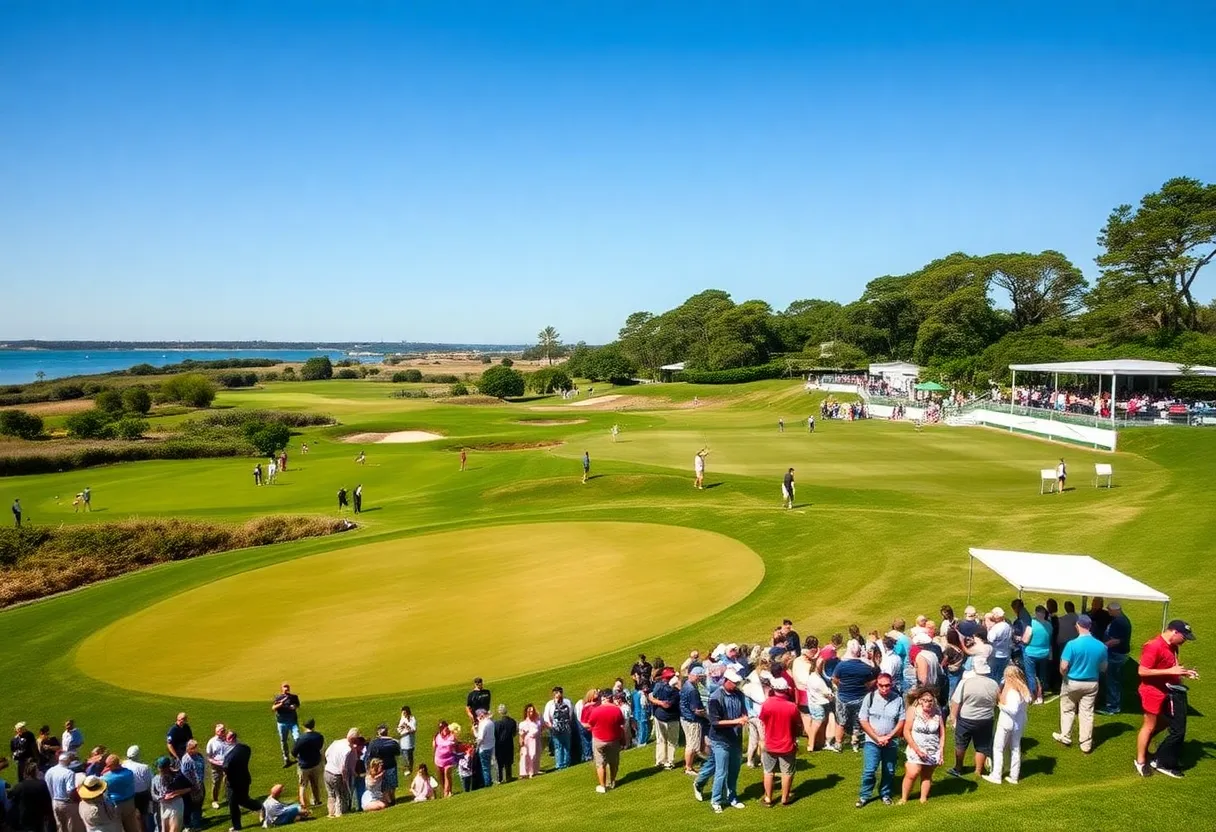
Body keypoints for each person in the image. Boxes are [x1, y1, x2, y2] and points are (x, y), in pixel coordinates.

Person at [1135, 620, 1199, 778]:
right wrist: (1171, 670)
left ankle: (1151, 750)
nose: (1185, 641)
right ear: (1174, 632)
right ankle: (1141, 761)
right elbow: (1142, 671)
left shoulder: (1173, 646)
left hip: (1167, 691)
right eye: (1184, 638)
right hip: (1152, 692)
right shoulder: (1153, 646)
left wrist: (1184, 672)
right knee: (1150, 725)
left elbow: (1171, 668)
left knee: (1165, 722)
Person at [693, 668, 748, 813]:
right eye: (734, 683)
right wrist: (737, 721)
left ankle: (732, 797)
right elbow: (715, 722)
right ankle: (716, 800)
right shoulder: (716, 698)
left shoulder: (739, 694)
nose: (736, 685)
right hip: (720, 740)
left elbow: (744, 711)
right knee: (721, 771)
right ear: (726, 681)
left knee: (734, 770)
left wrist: (744, 717)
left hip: (735, 738)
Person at [1053, 614, 1108, 754]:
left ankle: (1065, 736)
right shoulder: (1101, 646)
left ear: (1078, 625)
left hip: (1072, 682)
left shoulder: (1072, 645)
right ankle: (1086, 744)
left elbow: (1064, 666)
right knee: (1087, 713)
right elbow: (1103, 668)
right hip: (1091, 683)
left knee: (1067, 709)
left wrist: (1064, 676)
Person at [856, 673, 906, 808]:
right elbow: (863, 720)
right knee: (869, 770)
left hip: (890, 741)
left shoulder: (898, 699)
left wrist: (889, 736)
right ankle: (864, 795)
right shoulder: (870, 697)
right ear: (877, 685)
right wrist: (877, 737)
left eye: (887, 685)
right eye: (881, 685)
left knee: (889, 770)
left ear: (892, 684)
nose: (884, 688)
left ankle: (885, 794)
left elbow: (901, 720)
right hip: (872, 741)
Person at [947, 656, 999, 779]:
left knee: (961, 743)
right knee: (982, 745)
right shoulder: (994, 684)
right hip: (986, 719)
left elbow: (956, 701)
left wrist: (953, 718)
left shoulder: (965, 683)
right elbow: (997, 701)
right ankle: (978, 771)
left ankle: (958, 768)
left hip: (966, 719)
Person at [985, 665, 1031, 785]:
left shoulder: (1013, 692)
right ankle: (1014, 776)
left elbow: (1013, 709)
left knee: (998, 748)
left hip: (1007, 722)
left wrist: (1001, 705)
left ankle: (996, 775)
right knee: (1015, 748)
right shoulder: (1023, 690)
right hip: (1019, 723)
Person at [758, 677, 800, 806]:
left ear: (773, 689)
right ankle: (785, 798)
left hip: (770, 743)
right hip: (787, 744)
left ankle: (768, 799)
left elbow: (762, 721)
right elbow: (798, 726)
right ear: (786, 690)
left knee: (768, 771)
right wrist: (795, 739)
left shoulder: (767, 704)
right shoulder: (792, 707)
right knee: (786, 772)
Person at [831, 642, 878, 752]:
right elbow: (870, 683)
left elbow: (835, 679)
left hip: (843, 697)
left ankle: (838, 743)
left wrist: (842, 686)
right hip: (859, 698)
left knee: (840, 721)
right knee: (857, 721)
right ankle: (855, 743)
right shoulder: (865, 668)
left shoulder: (841, 665)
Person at [902, 685, 944, 804]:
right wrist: (917, 749)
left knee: (927, 775)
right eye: (924, 700)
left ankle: (923, 799)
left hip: (932, 748)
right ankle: (904, 798)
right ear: (919, 700)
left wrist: (941, 750)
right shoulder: (913, 710)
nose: (927, 703)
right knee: (912, 772)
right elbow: (906, 731)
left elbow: (942, 732)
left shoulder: (937, 712)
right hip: (916, 748)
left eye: (930, 700)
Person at [582, 690, 625, 793]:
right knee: (613, 762)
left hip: (598, 740)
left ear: (603, 698)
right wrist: (623, 739)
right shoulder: (617, 710)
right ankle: (612, 781)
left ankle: (603, 786)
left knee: (600, 764)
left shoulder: (595, 711)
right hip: (613, 739)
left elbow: (590, 724)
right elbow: (621, 725)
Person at [221, 733, 262, 831]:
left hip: (233, 783)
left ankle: (236, 827)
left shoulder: (230, 756)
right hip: (245, 779)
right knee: (243, 800)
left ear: (230, 739)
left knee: (233, 804)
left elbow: (225, 767)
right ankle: (260, 807)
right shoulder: (245, 748)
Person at [1100, 602, 1132, 715]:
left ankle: (1113, 706)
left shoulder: (1120, 622)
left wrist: (1101, 647)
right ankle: (1112, 703)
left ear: (1115, 610)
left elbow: (1117, 640)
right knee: (1113, 679)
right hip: (1116, 654)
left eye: (1109, 610)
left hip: (1116, 655)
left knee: (1112, 680)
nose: (1108, 612)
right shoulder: (1120, 620)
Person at [648, 667, 681, 769]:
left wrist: (658, 702)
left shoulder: (658, 685)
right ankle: (669, 761)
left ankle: (661, 761)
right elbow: (667, 705)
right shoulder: (674, 692)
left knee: (661, 740)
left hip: (660, 716)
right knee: (672, 741)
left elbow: (650, 696)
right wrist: (662, 703)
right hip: (671, 718)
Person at [9, 758, 52, 832]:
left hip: (25, 815)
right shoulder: (42, 784)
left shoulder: (21, 785)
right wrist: (48, 813)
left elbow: (10, 795)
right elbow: (47, 799)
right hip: (39, 815)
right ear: (35, 772)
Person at [679, 665, 708, 774]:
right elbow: (696, 710)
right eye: (700, 677)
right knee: (692, 745)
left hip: (685, 718)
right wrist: (706, 715)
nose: (701, 679)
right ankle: (689, 767)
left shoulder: (685, 684)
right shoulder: (692, 690)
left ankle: (689, 765)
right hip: (692, 720)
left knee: (690, 743)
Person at [290, 719, 324, 811]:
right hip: (315, 763)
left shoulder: (301, 739)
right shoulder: (319, 736)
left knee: (302, 785)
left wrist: (298, 758)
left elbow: (293, 752)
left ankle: (303, 804)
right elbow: (320, 747)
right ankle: (317, 800)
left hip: (304, 765)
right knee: (315, 783)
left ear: (304, 726)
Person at [1021, 605, 1053, 704]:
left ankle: (1033, 695)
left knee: (1031, 675)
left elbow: (1025, 640)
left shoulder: (1031, 624)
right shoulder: (1049, 625)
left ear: (1036, 612)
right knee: (1042, 675)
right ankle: (1040, 694)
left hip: (1031, 653)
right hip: (1044, 653)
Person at [151, 756, 192, 832]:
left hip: (176, 804)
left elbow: (190, 788)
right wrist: (160, 798)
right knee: (165, 829)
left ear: (167, 767)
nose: (160, 769)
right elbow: (153, 794)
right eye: (159, 767)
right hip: (163, 805)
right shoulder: (155, 779)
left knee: (174, 829)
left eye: (162, 768)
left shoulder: (177, 776)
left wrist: (176, 793)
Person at [324, 729, 357, 814]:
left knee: (331, 795)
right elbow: (343, 767)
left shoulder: (337, 742)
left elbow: (326, 753)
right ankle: (339, 813)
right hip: (336, 774)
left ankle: (331, 813)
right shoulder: (347, 750)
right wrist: (344, 779)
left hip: (327, 771)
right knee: (340, 795)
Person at [47, 751, 82, 832]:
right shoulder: (69, 773)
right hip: (67, 803)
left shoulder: (50, 771)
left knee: (60, 826)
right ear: (67, 761)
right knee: (72, 827)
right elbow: (70, 791)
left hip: (55, 802)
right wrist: (76, 800)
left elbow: (48, 786)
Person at [120, 746, 152, 830]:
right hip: (143, 795)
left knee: (132, 817)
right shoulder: (144, 767)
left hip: (129, 795)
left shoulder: (123, 765)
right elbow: (149, 782)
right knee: (143, 816)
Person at [177, 741, 206, 831]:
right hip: (192, 787)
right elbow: (185, 775)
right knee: (193, 805)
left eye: (196, 747)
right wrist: (192, 787)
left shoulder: (199, 756)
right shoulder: (186, 760)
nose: (196, 749)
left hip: (199, 784)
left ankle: (197, 819)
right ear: (189, 749)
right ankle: (194, 824)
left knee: (199, 803)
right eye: (194, 748)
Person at [272, 683, 302, 767]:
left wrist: (294, 707)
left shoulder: (294, 697)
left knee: (297, 738)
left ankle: (299, 756)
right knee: (283, 741)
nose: (286, 689)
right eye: (284, 687)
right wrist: (280, 704)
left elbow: (297, 705)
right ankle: (286, 759)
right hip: (281, 723)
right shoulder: (278, 697)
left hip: (292, 722)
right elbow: (273, 708)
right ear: (281, 689)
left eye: (287, 687)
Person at [204, 724, 229, 810]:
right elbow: (208, 757)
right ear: (217, 732)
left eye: (224, 730)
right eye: (221, 731)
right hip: (216, 766)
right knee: (216, 782)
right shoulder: (212, 742)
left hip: (227, 764)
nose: (223, 732)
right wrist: (216, 762)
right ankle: (214, 800)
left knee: (227, 780)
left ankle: (228, 796)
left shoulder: (227, 739)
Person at [986, 608, 1013, 683]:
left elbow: (990, 639)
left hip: (995, 654)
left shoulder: (996, 628)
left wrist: (988, 629)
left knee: (993, 676)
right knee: (1001, 676)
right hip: (1005, 653)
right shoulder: (1007, 626)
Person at [430, 722, 456, 797]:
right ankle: (445, 790)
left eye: (447, 728)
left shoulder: (451, 736)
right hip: (439, 760)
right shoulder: (437, 737)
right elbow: (434, 748)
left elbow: (454, 746)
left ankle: (447, 792)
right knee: (441, 778)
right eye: (446, 728)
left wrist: (453, 744)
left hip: (449, 760)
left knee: (447, 774)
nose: (447, 729)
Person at [493, 705, 517, 784]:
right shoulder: (512, 721)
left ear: (499, 712)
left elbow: (495, 734)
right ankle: (508, 776)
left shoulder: (497, 724)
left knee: (500, 762)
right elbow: (514, 733)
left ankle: (500, 778)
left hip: (499, 744)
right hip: (509, 743)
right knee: (508, 760)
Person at [517, 705, 542, 779]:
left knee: (535, 755)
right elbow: (521, 734)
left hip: (535, 741)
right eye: (529, 711)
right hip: (527, 742)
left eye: (532, 711)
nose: (531, 713)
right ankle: (525, 772)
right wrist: (521, 743)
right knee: (526, 756)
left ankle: (534, 770)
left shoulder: (536, 722)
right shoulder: (523, 723)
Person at [473, 711, 495, 789]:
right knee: (489, 765)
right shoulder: (491, 722)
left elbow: (480, 738)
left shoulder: (483, 724)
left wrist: (476, 746)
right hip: (491, 746)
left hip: (484, 748)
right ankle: (491, 780)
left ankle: (487, 783)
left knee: (485, 767)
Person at [397, 707, 416, 773]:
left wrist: (406, 727)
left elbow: (413, 730)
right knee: (403, 755)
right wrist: (401, 727)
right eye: (402, 713)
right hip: (402, 740)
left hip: (409, 741)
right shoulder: (402, 718)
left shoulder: (412, 719)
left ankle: (410, 769)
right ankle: (407, 768)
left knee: (408, 756)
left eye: (404, 713)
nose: (403, 714)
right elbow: (399, 729)